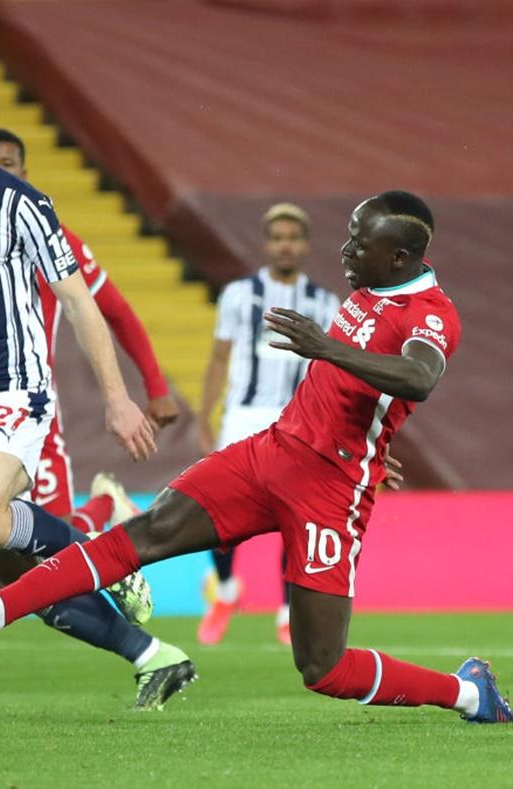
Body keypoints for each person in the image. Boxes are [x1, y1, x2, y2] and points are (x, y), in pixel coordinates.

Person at [0, 191, 513, 724]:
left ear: (399, 259)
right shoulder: (371, 287)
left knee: (323, 669)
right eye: (350, 234)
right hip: (274, 450)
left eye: (360, 242)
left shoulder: (432, 314)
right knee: (147, 531)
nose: (346, 250)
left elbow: (417, 376)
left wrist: (332, 370)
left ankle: (467, 694)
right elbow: (355, 391)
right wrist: (370, 438)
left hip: (329, 490)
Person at [0, 71, 194, 709]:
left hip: (16, 391)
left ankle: (106, 550)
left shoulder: (22, 205)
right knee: (22, 582)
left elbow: (80, 302)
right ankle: (152, 656)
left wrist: (119, 396)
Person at [196, 203, 340, 646]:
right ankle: (224, 592)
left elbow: (330, 371)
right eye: (277, 236)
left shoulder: (324, 303)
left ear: (306, 245)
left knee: (294, 515)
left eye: (293, 237)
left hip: (299, 421)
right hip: (242, 415)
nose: (285, 244)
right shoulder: (239, 295)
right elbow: (219, 357)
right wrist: (205, 418)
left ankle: (285, 610)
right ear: (266, 242)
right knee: (218, 510)